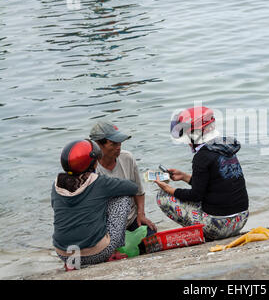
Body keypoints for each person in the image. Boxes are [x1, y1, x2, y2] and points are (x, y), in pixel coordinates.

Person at [155, 106, 249, 241]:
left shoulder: (202, 157)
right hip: (241, 219)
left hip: (219, 226)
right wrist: (185, 177)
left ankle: (205, 234)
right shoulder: (225, 148)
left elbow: (196, 195)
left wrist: (169, 189)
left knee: (162, 197)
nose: (187, 141)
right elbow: (217, 184)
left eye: (187, 136)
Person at [52, 139, 138, 268]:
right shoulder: (99, 182)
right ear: (92, 163)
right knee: (123, 197)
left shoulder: (56, 185)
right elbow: (132, 188)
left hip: (64, 254)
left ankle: (71, 264)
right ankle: (113, 252)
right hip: (97, 254)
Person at [89, 121, 157, 245]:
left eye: (120, 142)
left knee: (152, 240)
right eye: (113, 143)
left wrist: (141, 214)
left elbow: (139, 192)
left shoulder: (127, 158)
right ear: (98, 145)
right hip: (105, 226)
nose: (118, 147)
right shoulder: (90, 168)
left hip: (130, 220)